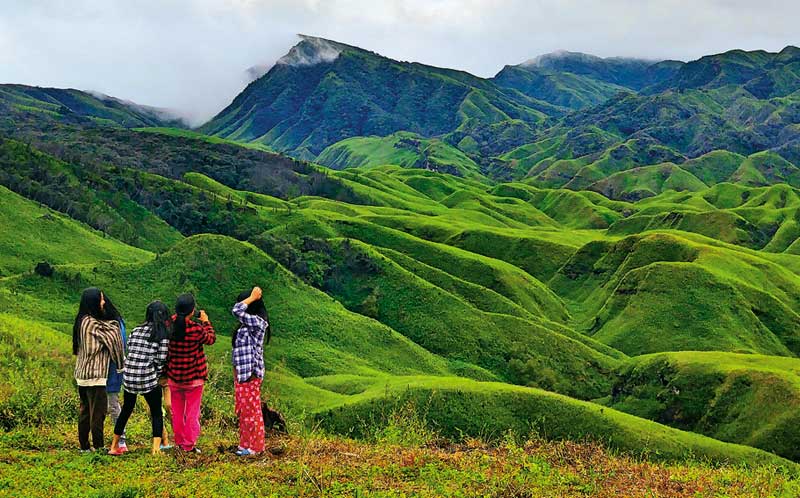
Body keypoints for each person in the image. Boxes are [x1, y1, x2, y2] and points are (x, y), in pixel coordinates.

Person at [109, 301, 171, 456]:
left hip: (129, 376)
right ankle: (156, 449)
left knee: (126, 410)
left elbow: (130, 348)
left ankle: (114, 446)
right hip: (147, 378)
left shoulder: (136, 329)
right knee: (156, 411)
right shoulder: (162, 334)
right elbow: (161, 359)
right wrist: (155, 376)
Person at [73, 287, 125, 452]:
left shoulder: (82, 320)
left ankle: (84, 446)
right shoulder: (92, 323)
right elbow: (112, 334)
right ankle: (99, 446)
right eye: (101, 300)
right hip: (95, 375)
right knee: (98, 412)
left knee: (86, 411)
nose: (103, 303)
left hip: (83, 374)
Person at [167, 293, 216, 453]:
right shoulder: (196, 329)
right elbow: (211, 339)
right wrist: (206, 321)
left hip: (174, 378)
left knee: (178, 412)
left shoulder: (169, 326)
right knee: (192, 413)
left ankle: (179, 442)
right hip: (194, 379)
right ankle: (189, 444)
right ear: (192, 310)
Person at [231, 286, 270, 457]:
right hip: (242, 375)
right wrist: (236, 377)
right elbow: (237, 352)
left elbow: (236, 310)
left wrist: (253, 297)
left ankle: (257, 446)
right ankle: (245, 444)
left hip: (251, 375)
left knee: (253, 412)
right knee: (244, 412)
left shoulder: (259, 323)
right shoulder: (245, 325)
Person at [106, 312, 127, 452]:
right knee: (111, 406)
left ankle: (121, 439)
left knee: (113, 405)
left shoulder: (114, 323)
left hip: (112, 371)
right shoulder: (117, 322)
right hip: (109, 371)